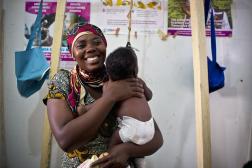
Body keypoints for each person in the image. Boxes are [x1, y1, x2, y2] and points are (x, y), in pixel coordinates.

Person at [43, 22, 163, 168]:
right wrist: (109, 98)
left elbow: (156, 136)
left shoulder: (121, 77)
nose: (91, 49)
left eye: (97, 42)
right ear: (72, 53)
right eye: (81, 46)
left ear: (105, 45)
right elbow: (66, 140)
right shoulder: (63, 81)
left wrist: (126, 150)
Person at [105, 46, 156, 168]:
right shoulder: (139, 81)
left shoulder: (114, 87)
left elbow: (108, 104)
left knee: (113, 143)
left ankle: (114, 161)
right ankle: (140, 163)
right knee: (137, 145)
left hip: (131, 129)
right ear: (135, 70)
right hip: (150, 129)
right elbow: (149, 96)